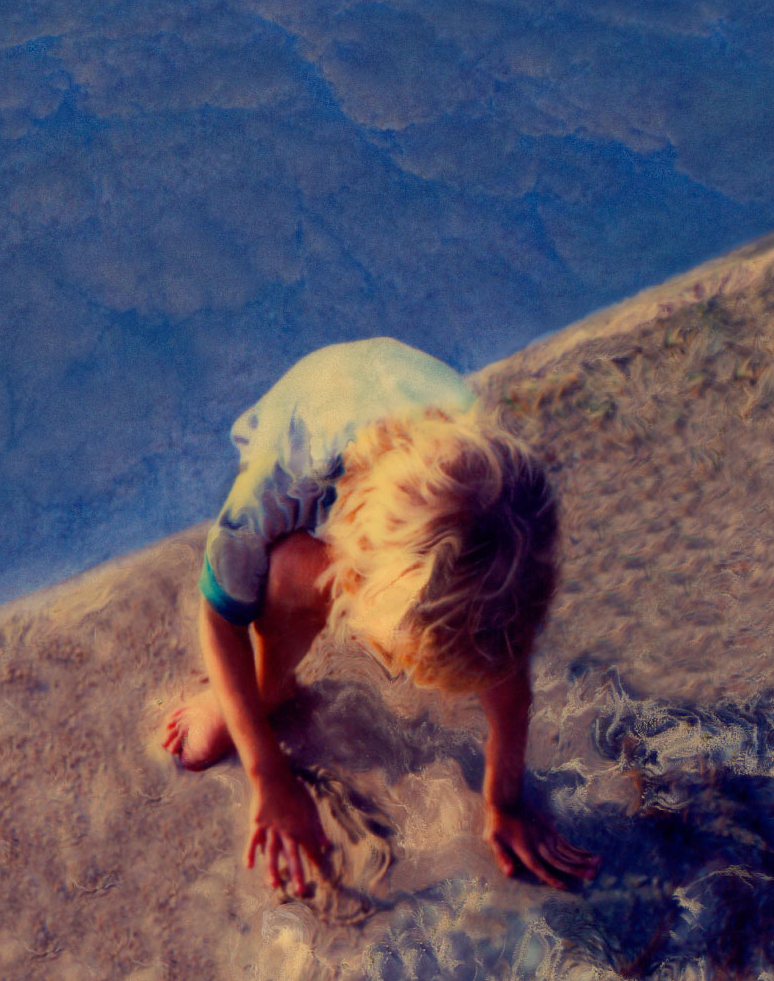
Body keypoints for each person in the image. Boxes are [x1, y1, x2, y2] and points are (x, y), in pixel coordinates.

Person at [162, 337, 600, 898]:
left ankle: (390, 632)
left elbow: (510, 685)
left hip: (419, 436)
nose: (405, 674)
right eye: (398, 656)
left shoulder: (496, 513)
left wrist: (504, 801)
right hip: (319, 412)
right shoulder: (272, 492)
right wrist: (266, 773)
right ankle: (270, 685)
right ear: (353, 570)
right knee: (283, 572)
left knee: (479, 613)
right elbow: (218, 618)